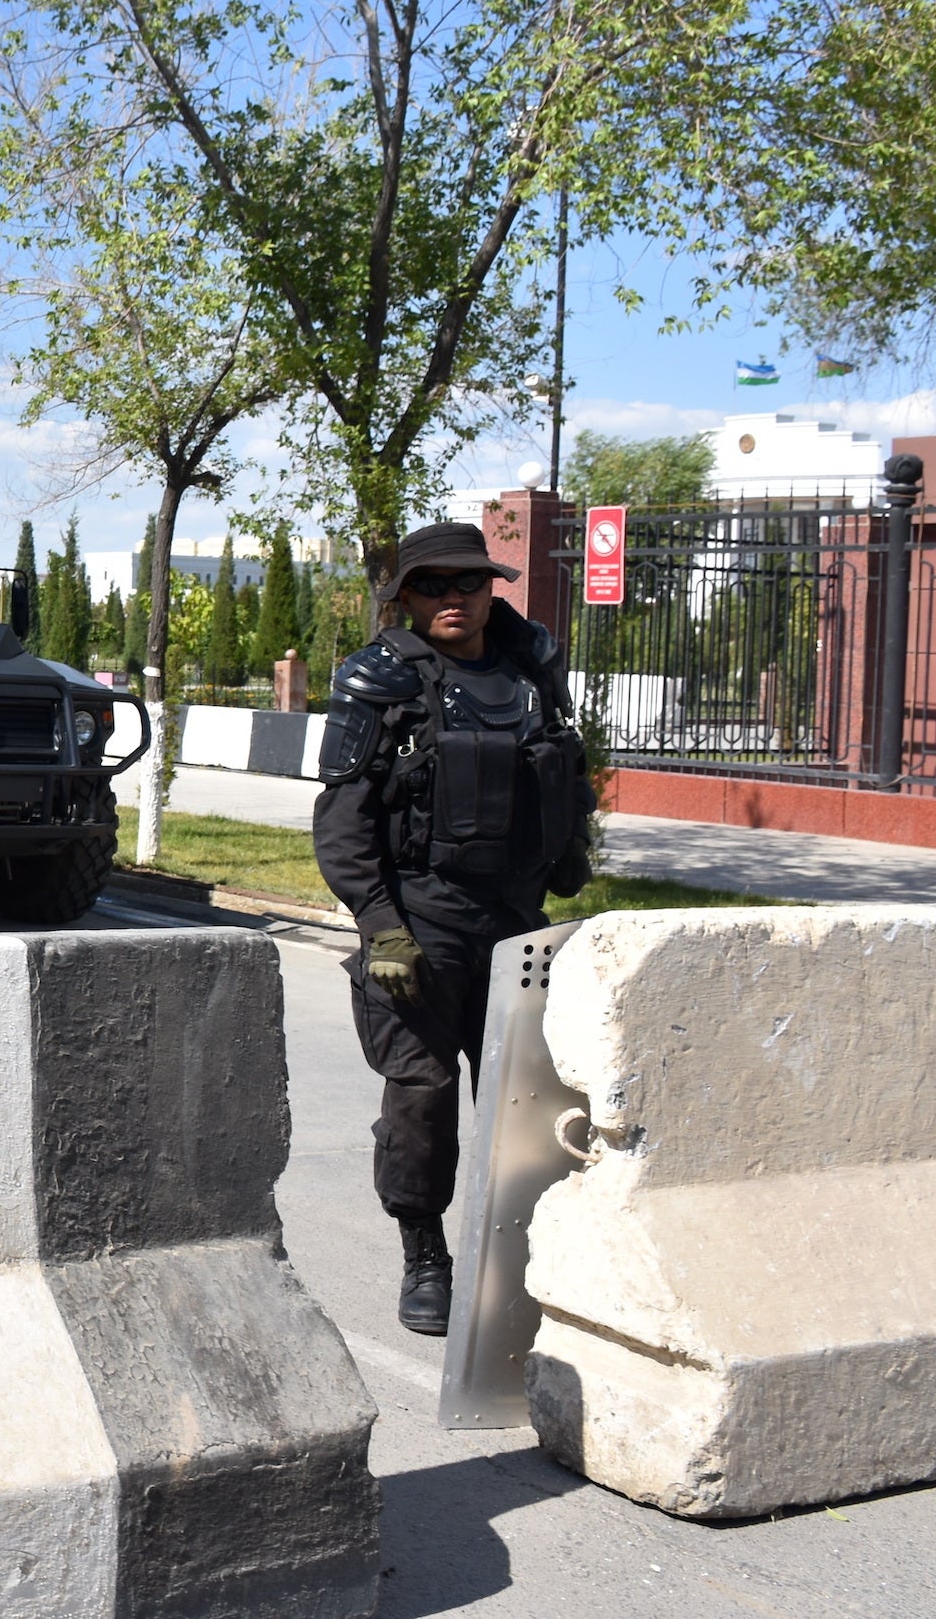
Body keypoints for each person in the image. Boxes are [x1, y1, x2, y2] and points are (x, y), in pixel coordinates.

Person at [314, 521, 594, 1336]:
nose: (451, 599)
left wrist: (570, 845)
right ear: (402, 596)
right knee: (422, 1098)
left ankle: (520, 1254)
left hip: (514, 918)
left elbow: (566, 769)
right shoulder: (380, 680)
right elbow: (340, 822)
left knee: (525, 1104)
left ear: (490, 588)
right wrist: (379, 927)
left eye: (466, 584)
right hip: (421, 919)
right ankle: (424, 1254)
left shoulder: (533, 665)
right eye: (430, 585)